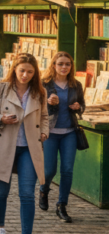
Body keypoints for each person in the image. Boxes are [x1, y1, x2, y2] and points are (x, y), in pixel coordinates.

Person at [0, 53, 48, 234]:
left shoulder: (38, 92)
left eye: (30, 71)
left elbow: (44, 117)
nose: (25, 75)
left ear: (35, 73)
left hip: (29, 146)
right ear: (14, 70)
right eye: (22, 71)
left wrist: (44, 132)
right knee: (2, 191)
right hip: (4, 144)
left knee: (27, 193)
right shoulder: (0, 88)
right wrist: (1, 118)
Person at [40, 52, 85, 223]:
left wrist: (78, 106)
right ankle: (44, 190)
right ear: (54, 65)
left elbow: (82, 105)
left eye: (67, 64)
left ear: (71, 66)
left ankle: (62, 205)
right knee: (49, 170)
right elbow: (35, 106)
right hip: (50, 133)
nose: (64, 67)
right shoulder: (44, 84)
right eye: (60, 64)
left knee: (67, 170)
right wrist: (47, 103)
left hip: (69, 132)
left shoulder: (76, 85)